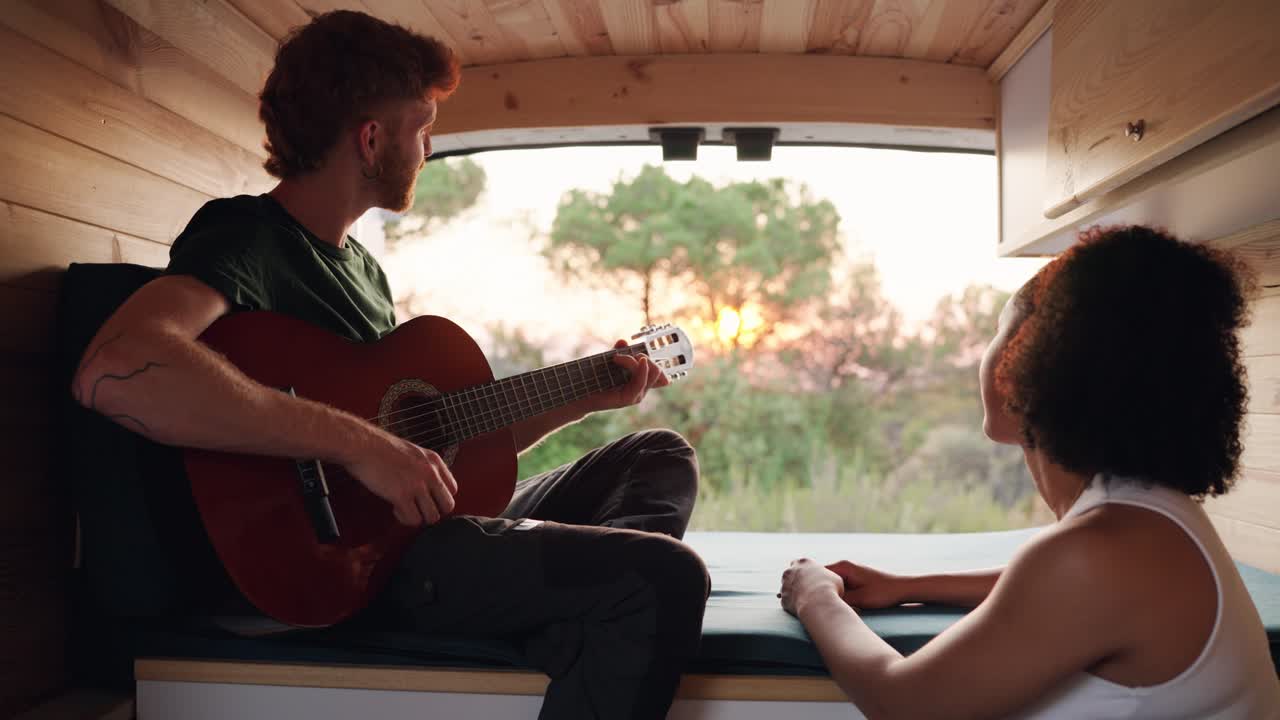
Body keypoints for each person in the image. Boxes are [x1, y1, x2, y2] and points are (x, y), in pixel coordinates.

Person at [71, 11, 708, 719]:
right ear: (372, 139)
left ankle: (568, 629)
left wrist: (588, 395)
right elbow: (114, 367)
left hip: (419, 536)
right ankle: (582, 626)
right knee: (664, 579)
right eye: (423, 128)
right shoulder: (247, 238)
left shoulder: (365, 272)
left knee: (658, 455)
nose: (428, 149)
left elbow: (447, 448)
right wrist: (360, 444)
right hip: (350, 565)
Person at [780, 226, 1280, 718]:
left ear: (1028, 363)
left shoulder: (1102, 552)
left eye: (998, 333)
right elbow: (1055, 592)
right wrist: (909, 585)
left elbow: (903, 703)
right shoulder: (1146, 517)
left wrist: (816, 597)